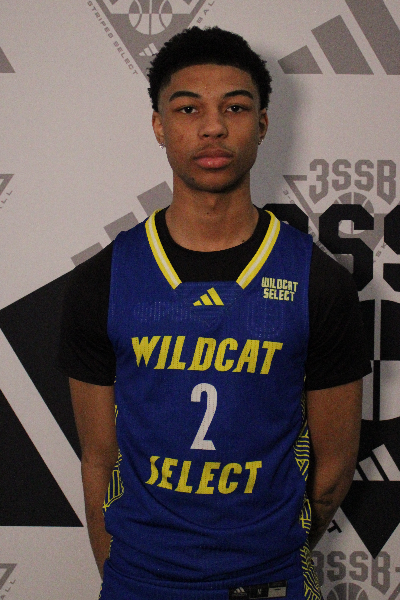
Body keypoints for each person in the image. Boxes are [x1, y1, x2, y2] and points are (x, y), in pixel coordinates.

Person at [58, 26, 371, 600]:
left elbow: (333, 468)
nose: (213, 127)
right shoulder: (103, 280)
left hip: (267, 581)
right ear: (159, 125)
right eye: (188, 108)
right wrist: (126, 573)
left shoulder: (317, 281)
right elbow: (99, 459)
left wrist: (268, 554)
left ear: (263, 123)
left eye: (235, 107)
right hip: (139, 582)